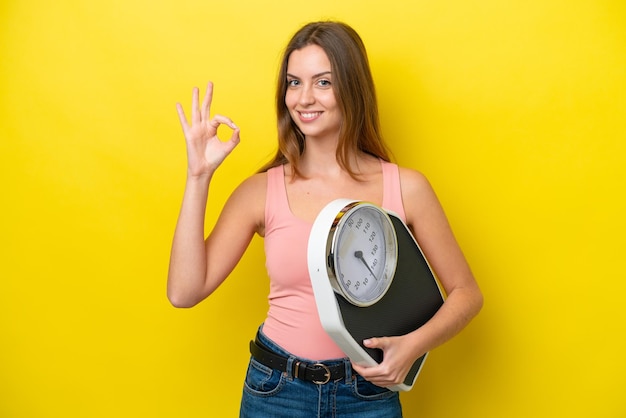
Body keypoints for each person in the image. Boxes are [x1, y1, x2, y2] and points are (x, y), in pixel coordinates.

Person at [168, 21, 483, 418]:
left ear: (351, 88)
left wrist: (413, 346)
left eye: (322, 82)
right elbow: (184, 292)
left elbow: (467, 294)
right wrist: (198, 177)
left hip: (369, 395)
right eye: (293, 83)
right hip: (276, 391)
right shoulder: (261, 191)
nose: (303, 98)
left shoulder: (406, 188)